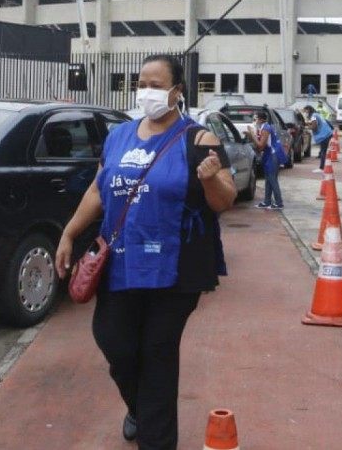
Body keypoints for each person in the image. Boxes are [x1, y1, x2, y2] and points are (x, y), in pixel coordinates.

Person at [55, 55, 237, 449]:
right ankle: (138, 407)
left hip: (174, 268)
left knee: (158, 354)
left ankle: (156, 440)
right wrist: (70, 232)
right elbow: (97, 190)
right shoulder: (119, 136)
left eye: (156, 85)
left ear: (176, 92)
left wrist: (209, 182)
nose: (147, 92)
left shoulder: (199, 139)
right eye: (142, 83)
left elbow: (225, 198)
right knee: (114, 343)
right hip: (119, 261)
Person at [252, 110, 285, 210]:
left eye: (256, 118)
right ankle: (267, 201)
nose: (255, 120)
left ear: (261, 119)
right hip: (268, 155)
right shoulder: (263, 127)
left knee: (272, 179)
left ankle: (279, 203)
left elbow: (261, 145)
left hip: (273, 155)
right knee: (268, 179)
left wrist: (251, 134)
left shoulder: (266, 128)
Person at [304, 105, 333, 173]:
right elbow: (318, 123)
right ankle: (324, 166)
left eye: (305, 111)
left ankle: (321, 168)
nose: (305, 113)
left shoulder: (313, 116)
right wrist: (309, 123)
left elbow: (314, 126)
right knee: (323, 151)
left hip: (324, 135)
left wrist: (307, 128)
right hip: (327, 133)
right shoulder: (317, 114)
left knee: (323, 152)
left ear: (308, 110)